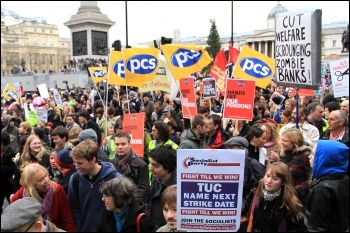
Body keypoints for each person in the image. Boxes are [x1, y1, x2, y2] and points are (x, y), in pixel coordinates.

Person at [68, 139, 121, 232]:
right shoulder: (75, 179)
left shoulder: (114, 178)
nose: (76, 167)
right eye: (75, 163)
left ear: (93, 159)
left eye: (80, 163)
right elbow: (74, 209)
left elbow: (121, 209)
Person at [10, 163, 77, 232]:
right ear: (31, 185)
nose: (46, 181)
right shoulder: (19, 198)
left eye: (46, 176)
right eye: (40, 180)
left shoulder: (57, 190)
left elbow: (68, 220)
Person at [246, 162, 305, 232]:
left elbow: (297, 228)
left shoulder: (289, 203)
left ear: (283, 182)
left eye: (275, 178)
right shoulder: (256, 195)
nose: (269, 181)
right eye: (267, 176)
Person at [305, 140, 349, 232]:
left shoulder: (323, 189)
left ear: (324, 158)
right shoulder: (344, 178)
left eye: (313, 154)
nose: (309, 156)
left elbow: (316, 228)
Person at [223, 137, 265, 217]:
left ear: (242, 149)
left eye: (231, 147)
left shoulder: (253, 164)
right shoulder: (228, 164)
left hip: (244, 205)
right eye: (227, 147)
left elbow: (260, 188)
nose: (228, 150)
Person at [270, 128, 312, 206]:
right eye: (281, 139)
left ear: (294, 142)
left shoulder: (305, 156)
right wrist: (276, 162)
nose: (281, 143)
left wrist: (294, 191)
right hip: (280, 197)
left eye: (285, 141)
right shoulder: (280, 153)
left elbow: (311, 179)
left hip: (296, 200)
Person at [112, 132, 150, 203]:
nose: (120, 147)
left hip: (132, 204)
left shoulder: (141, 164)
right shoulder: (111, 164)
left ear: (129, 144)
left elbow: (143, 190)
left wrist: (135, 206)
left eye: (123, 144)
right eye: (117, 144)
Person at [148, 145, 177, 228]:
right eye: (151, 164)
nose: (151, 169)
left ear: (167, 167)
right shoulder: (156, 178)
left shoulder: (177, 187)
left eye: (155, 166)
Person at [1, 131, 17, 214]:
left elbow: (11, 171)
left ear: (3, 144)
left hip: (8, 185)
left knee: (13, 207)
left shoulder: (11, 154)